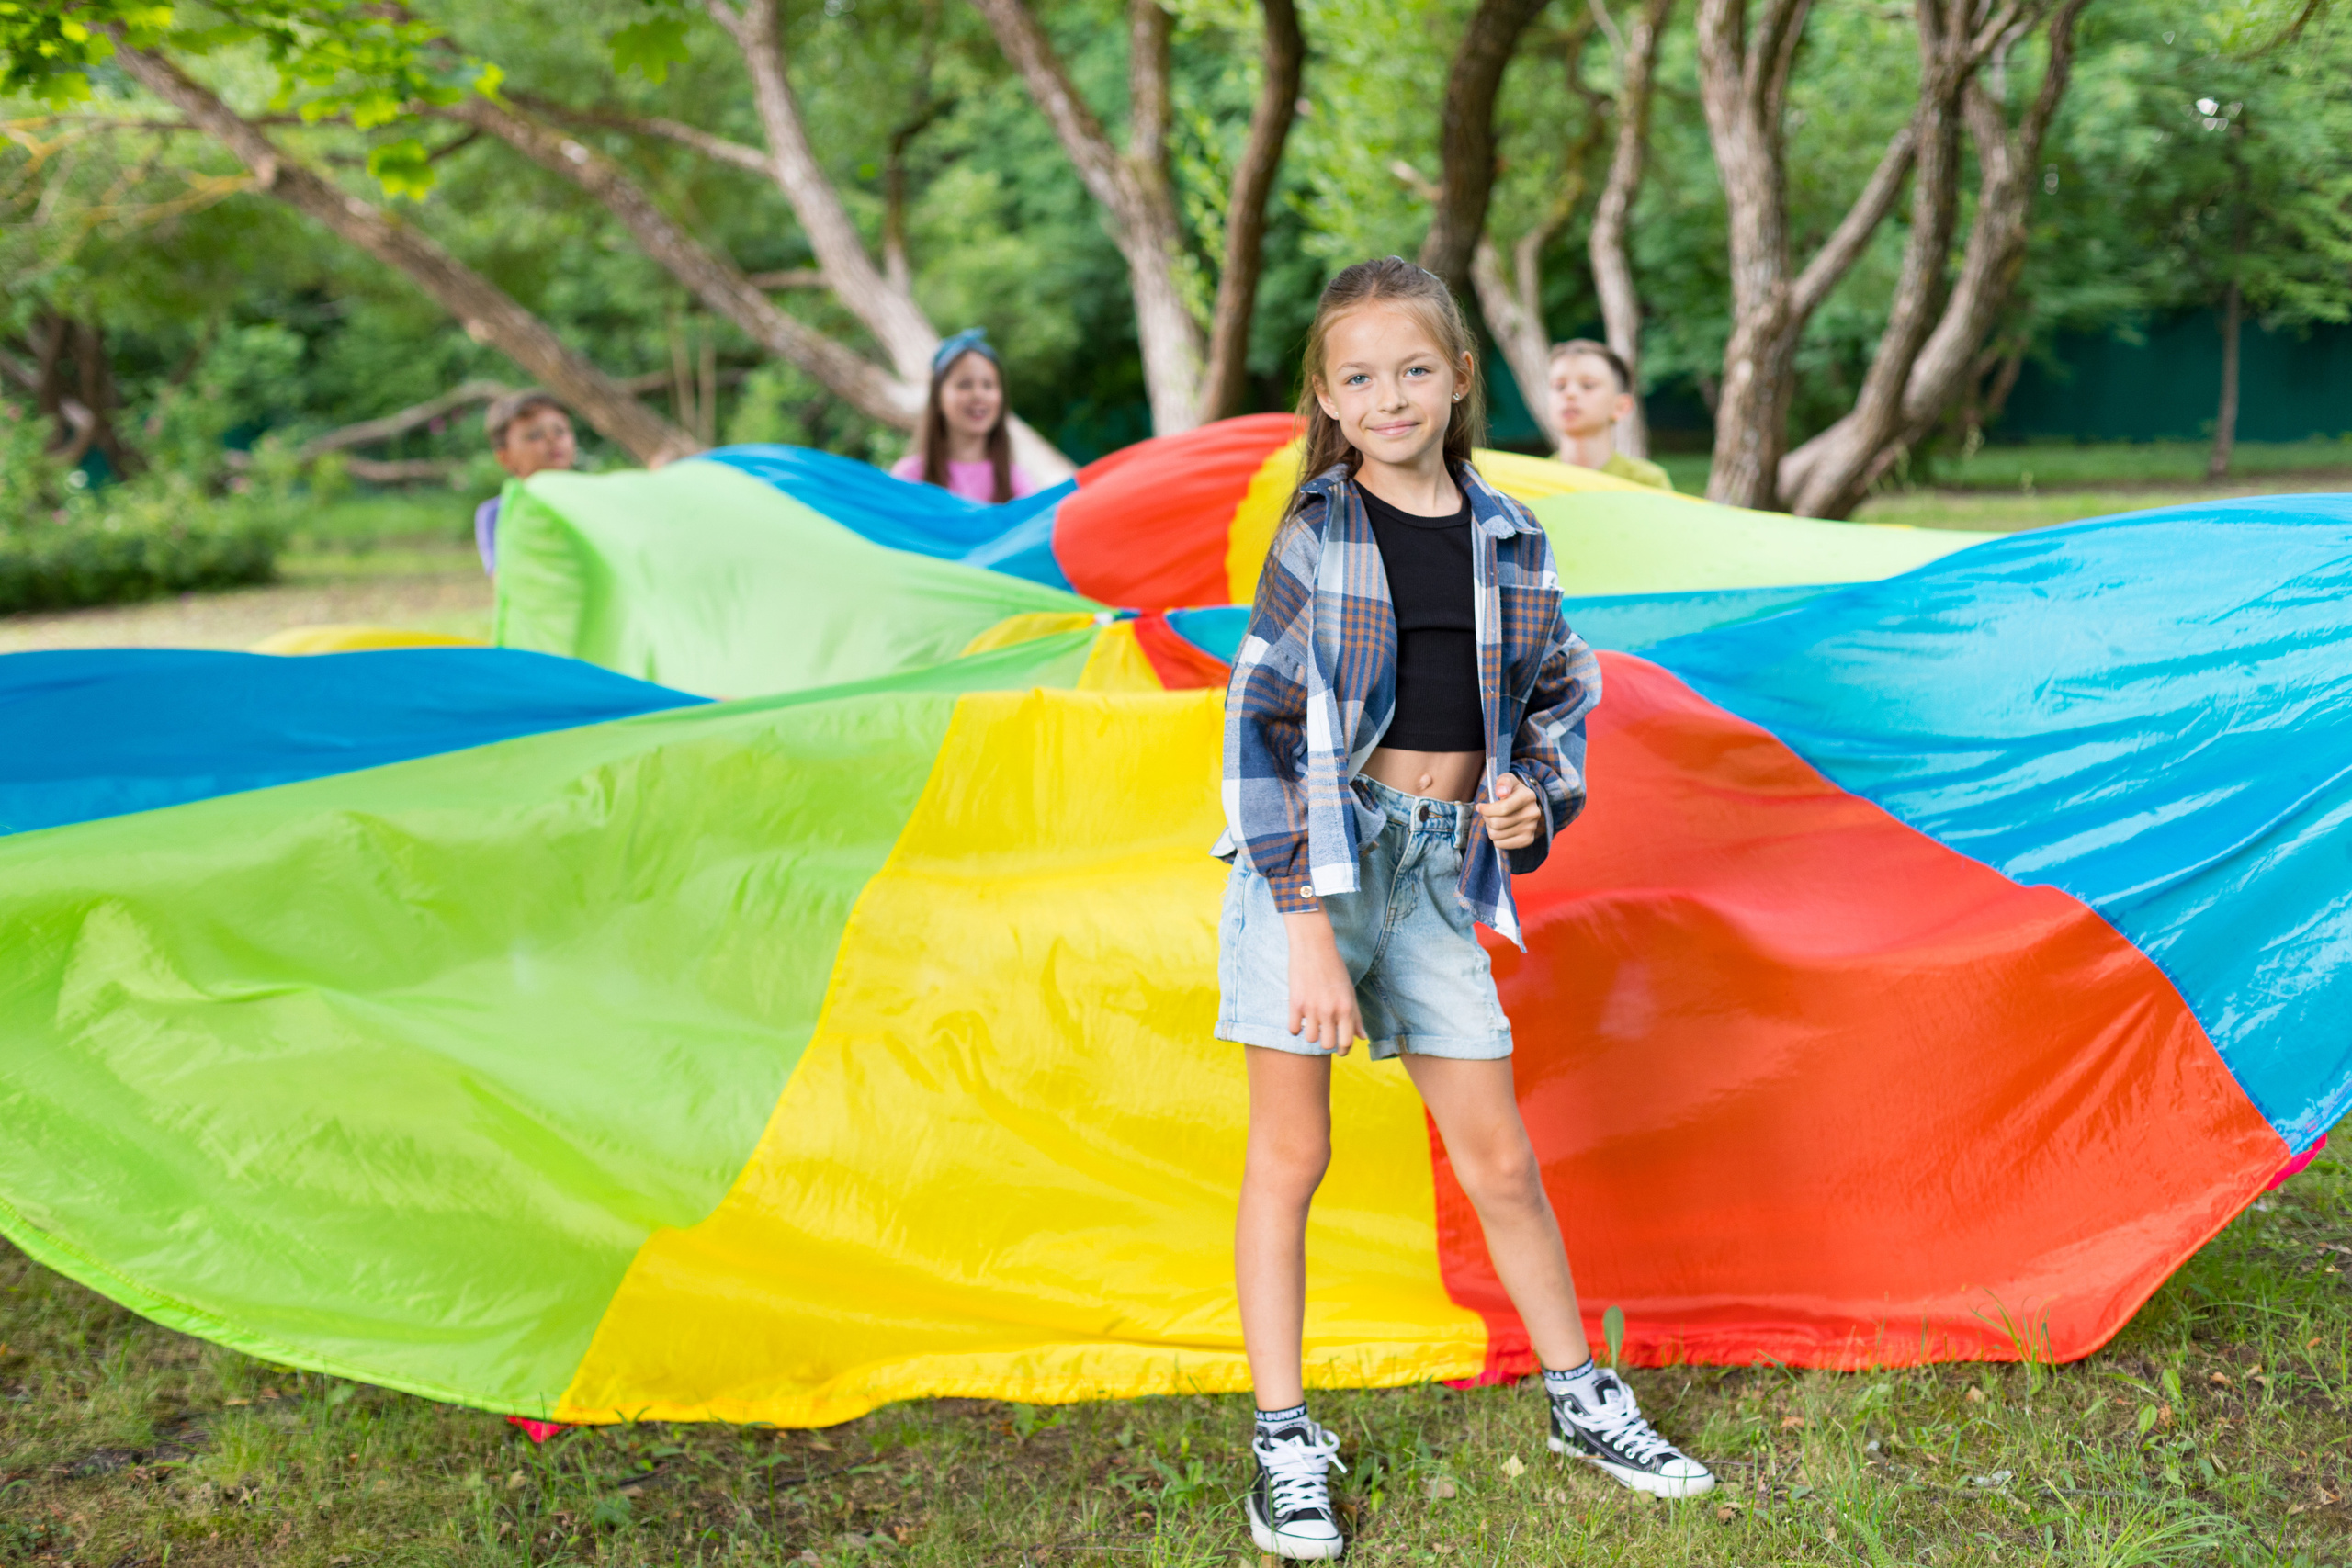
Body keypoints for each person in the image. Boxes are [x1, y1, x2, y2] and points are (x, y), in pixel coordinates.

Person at [1215, 259, 1713, 1561]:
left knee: (1497, 1153)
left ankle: (1578, 1396)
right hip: (1316, 867)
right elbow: (1261, 727)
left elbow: (1557, 692)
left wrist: (1532, 801)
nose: (1391, 396)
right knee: (1293, 1155)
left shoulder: (1509, 532)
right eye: (1361, 376)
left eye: (1415, 369)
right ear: (1326, 395)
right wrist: (1310, 923)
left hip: (1438, 871)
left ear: (1457, 380)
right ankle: (1282, 1439)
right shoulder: (1316, 529)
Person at [889, 329, 1040, 504]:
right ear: (938, 398)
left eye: (988, 385)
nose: (978, 395)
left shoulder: (1017, 481)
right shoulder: (910, 477)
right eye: (964, 385)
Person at [1547, 339, 1672, 491]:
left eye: (1588, 385)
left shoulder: (1647, 482)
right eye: (1559, 387)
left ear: (1621, 406)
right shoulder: (1531, 479)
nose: (1570, 394)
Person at [474, 390, 577, 574]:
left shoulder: (592, 500)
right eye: (535, 435)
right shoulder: (497, 514)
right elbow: (503, 581)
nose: (552, 440)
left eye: (560, 431)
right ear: (504, 457)